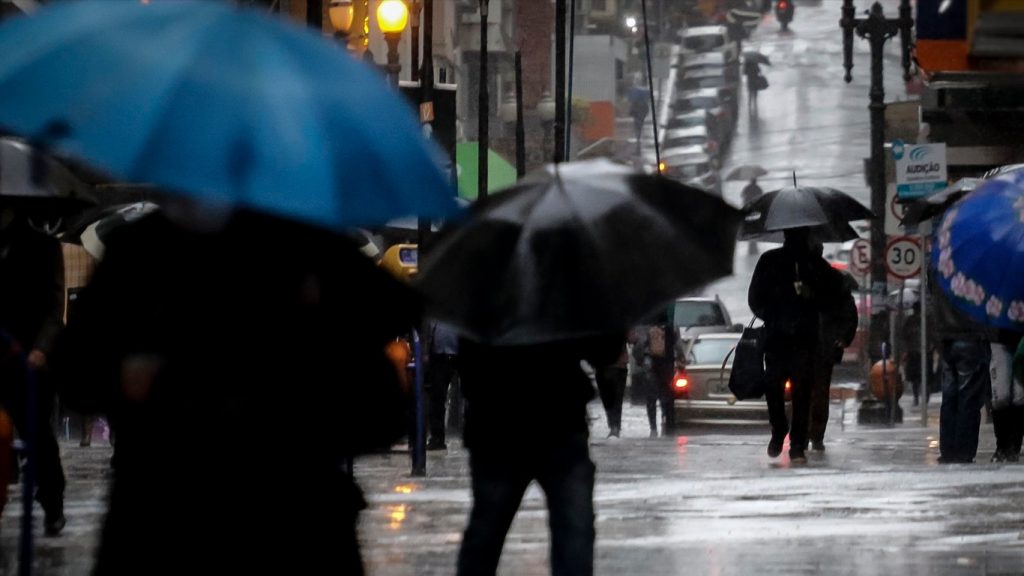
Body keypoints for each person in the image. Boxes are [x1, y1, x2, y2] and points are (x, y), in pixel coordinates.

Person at [50, 208, 415, 574]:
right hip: (249, 517)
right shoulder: (320, 253)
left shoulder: (142, 248)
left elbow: (380, 411)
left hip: (186, 517)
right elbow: (78, 375)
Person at [455, 335, 622, 576]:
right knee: (572, 530)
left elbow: (605, 347)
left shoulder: (484, 301)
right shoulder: (565, 300)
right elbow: (605, 349)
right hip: (540, 421)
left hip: (506, 423)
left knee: (486, 533)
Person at [0, 206, 66, 535]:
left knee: (37, 434)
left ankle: (52, 499)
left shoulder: (44, 246)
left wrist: (41, 349)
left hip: (31, 359)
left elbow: (56, 307)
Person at [748, 227, 834, 464]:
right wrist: (773, 314)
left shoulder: (814, 265)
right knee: (773, 386)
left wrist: (810, 295)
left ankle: (797, 444)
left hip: (804, 339)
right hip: (777, 338)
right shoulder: (770, 261)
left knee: (801, 391)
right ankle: (779, 429)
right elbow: (755, 298)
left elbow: (830, 297)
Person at [930, 275, 990, 464]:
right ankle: (964, 450)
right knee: (968, 396)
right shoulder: (976, 273)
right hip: (970, 335)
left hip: (947, 338)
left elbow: (933, 302)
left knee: (950, 396)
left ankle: (948, 450)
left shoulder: (940, 269)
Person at [808, 259, 858, 452]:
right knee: (812, 391)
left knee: (818, 391)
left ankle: (814, 434)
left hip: (821, 347)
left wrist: (842, 338)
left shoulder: (834, 280)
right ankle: (807, 433)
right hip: (806, 345)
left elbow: (849, 312)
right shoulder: (797, 275)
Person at [989, 329, 1024, 462]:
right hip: (999, 339)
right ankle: (1002, 446)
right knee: (1001, 396)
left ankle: (1014, 447)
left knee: (1020, 396)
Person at [425, 318, 459, 450]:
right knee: (437, 397)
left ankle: (437, 438)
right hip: (439, 355)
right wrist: (426, 352)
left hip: (455, 352)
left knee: (438, 398)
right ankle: (437, 438)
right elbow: (427, 330)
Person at [596, 335, 630, 438]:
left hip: (609, 367)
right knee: (615, 399)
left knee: (610, 398)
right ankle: (614, 426)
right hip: (615, 366)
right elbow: (633, 338)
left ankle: (614, 426)